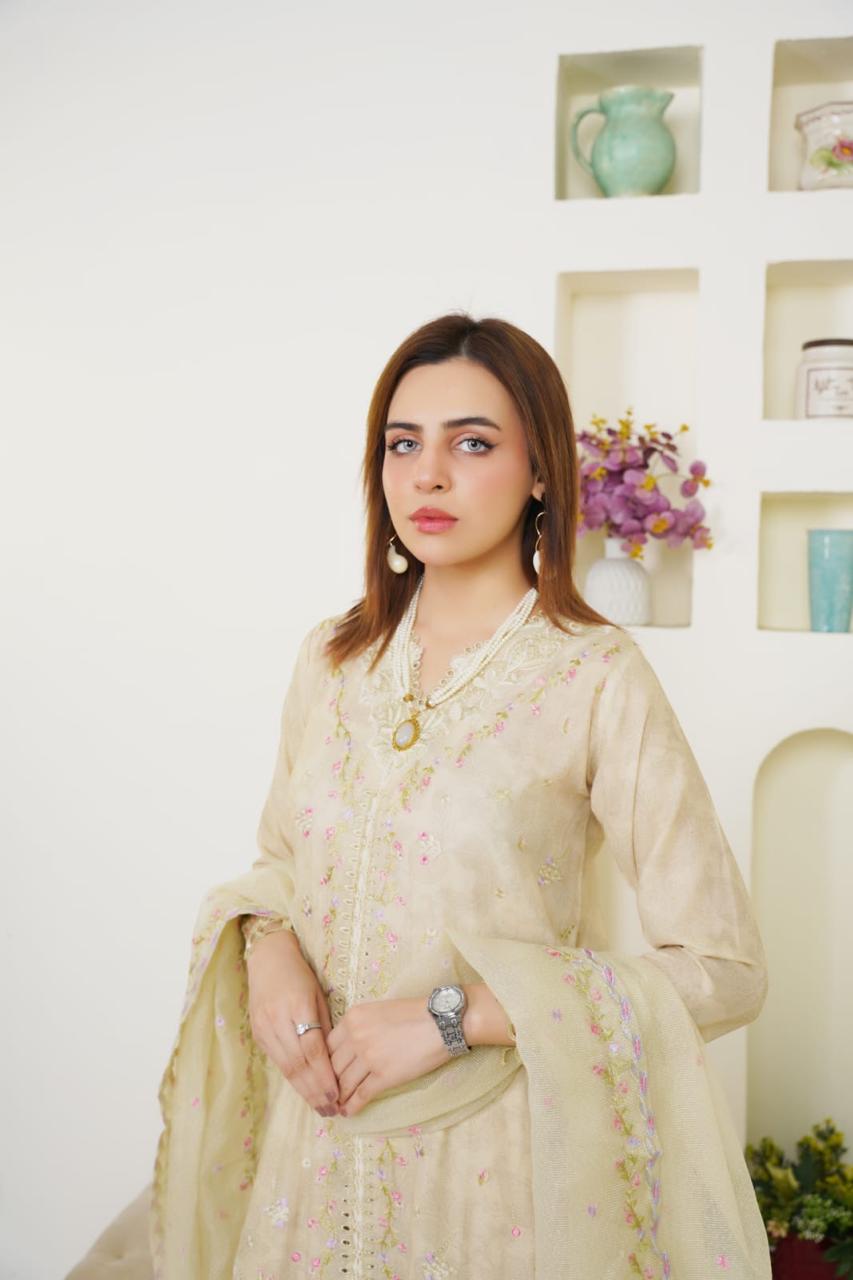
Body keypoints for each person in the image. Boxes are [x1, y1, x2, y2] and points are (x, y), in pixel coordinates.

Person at [149, 313, 773, 1279]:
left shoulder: (593, 675)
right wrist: (264, 949)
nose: (427, 476)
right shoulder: (332, 661)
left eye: (470, 443)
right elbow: (281, 864)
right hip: (308, 1161)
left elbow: (723, 968)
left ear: (538, 472)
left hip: (493, 1182)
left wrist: (451, 1017)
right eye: (404, 444)